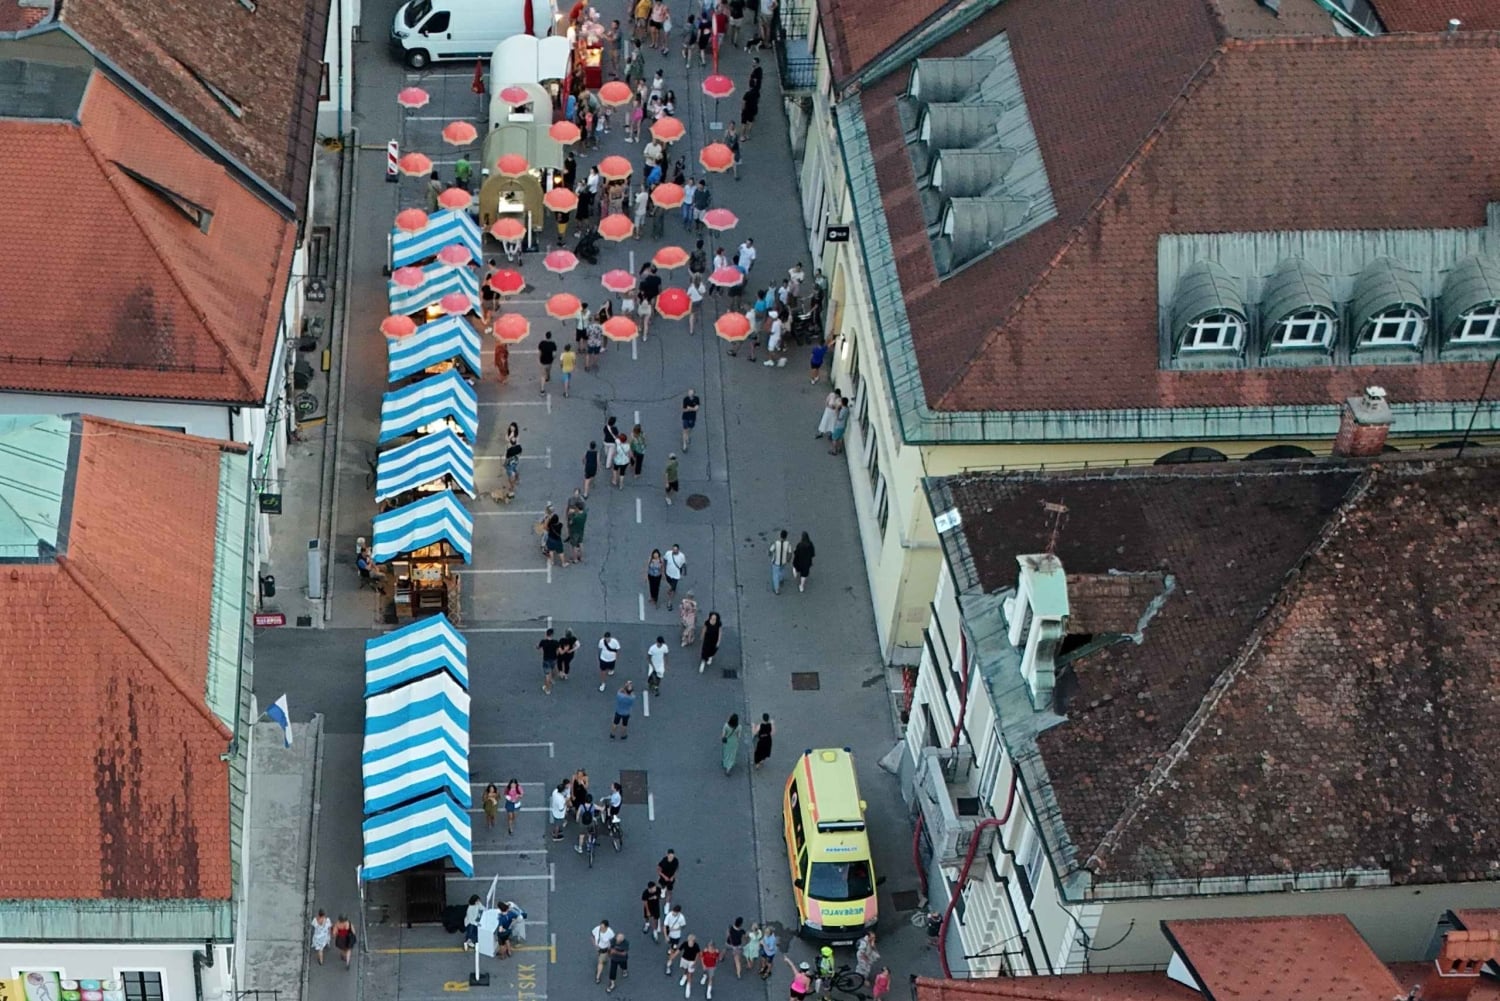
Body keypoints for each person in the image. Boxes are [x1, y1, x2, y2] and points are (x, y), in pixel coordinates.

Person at [663, 904, 688, 969]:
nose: (673, 914)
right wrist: (666, 936)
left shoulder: (681, 917)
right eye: (673, 912)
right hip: (669, 934)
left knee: (673, 948)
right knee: (670, 944)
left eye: (675, 913)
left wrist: (675, 929)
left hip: (676, 936)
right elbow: (665, 926)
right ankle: (671, 949)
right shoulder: (669, 915)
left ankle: (669, 961)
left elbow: (683, 926)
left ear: (678, 912)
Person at [769, 529, 792, 594]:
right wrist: (788, 559)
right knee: (782, 570)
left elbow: (771, 550)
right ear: (786, 536)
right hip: (784, 562)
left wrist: (770, 554)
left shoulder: (776, 543)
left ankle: (777, 589)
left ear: (780, 536)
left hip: (776, 562)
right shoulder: (788, 544)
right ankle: (781, 580)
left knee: (775, 575)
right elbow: (790, 553)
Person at [663, 543, 686, 608]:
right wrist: (664, 569)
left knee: (672, 588)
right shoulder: (668, 553)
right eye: (673, 549)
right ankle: (672, 588)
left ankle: (669, 602)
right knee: (670, 583)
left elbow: (683, 565)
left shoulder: (682, 556)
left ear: (678, 550)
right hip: (668, 573)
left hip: (676, 575)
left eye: (676, 550)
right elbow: (665, 560)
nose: (674, 551)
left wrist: (684, 573)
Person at [538, 627, 560, 694]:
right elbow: (558, 651)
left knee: (547, 675)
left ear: (546, 634)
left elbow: (538, 647)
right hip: (553, 659)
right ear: (552, 635)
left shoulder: (543, 642)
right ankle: (552, 679)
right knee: (554, 669)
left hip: (546, 660)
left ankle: (547, 689)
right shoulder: (556, 642)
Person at [568, 498, 588, 562]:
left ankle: (575, 559)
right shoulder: (584, 514)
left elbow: (570, 523)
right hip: (581, 530)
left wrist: (570, 514)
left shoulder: (576, 517)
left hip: (574, 532)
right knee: (580, 543)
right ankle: (581, 557)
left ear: (577, 508)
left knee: (574, 546)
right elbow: (581, 511)